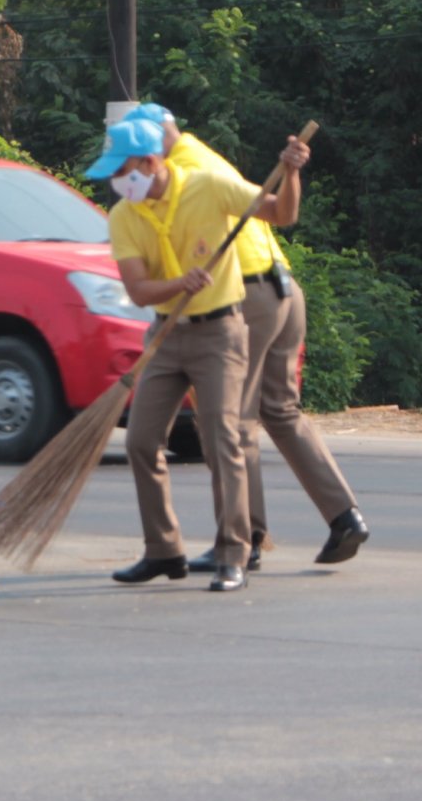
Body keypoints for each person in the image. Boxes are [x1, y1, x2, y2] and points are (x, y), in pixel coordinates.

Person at [119, 104, 368, 575]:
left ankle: (244, 536)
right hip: (283, 287)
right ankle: (344, 515)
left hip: (246, 294)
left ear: (152, 149)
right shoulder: (203, 153)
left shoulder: (183, 171)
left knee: (233, 421)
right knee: (279, 409)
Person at [89, 117, 302, 592]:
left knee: (221, 439)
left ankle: (233, 554)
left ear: (150, 162)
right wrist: (178, 284)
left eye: (122, 171)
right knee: (142, 441)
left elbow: (280, 214)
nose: (117, 183)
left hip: (220, 334)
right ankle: (163, 550)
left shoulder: (209, 186)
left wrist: (290, 174)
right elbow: (140, 290)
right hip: (166, 336)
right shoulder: (125, 215)